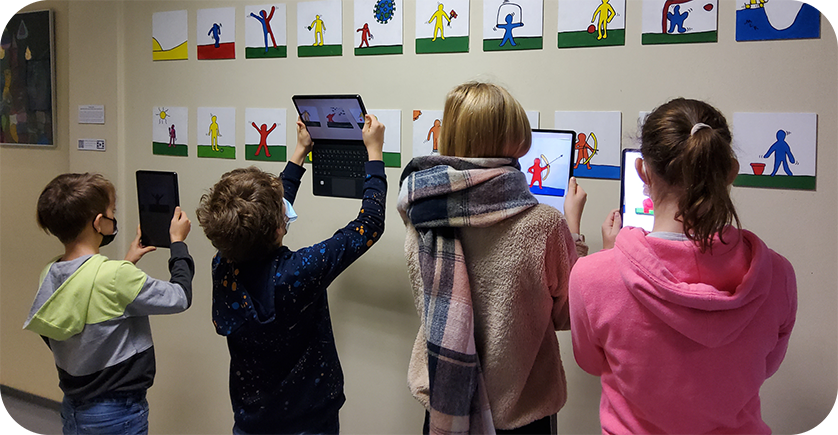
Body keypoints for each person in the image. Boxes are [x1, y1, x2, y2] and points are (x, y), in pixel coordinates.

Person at [569, 98, 797, 435]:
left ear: (642, 171)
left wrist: (609, 265)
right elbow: (765, 367)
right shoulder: (777, 274)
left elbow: (590, 362)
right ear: (730, 172)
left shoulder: (591, 277)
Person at [398, 81, 588, 435]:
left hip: (446, 406)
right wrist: (572, 230)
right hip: (520, 417)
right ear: (513, 142)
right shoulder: (544, 225)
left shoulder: (419, 212)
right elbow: (567, 315)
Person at [196, 115, 387, 435]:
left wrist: (300, 152)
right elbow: (368, 225)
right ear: (279, 226)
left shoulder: (223, 264)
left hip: (251, 421)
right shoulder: (298, 272)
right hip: (310, 423)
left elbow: (258, 217)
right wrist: (375, 153)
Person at [24, 173, 193, 435]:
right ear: (99, 223)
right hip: (118, 411)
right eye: (112, 211)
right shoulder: (116, 278)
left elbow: (89, 294)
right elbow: (179, 297)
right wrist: (178, 245)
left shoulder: (52, 272)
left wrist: (127, 263)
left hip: (75, 408)